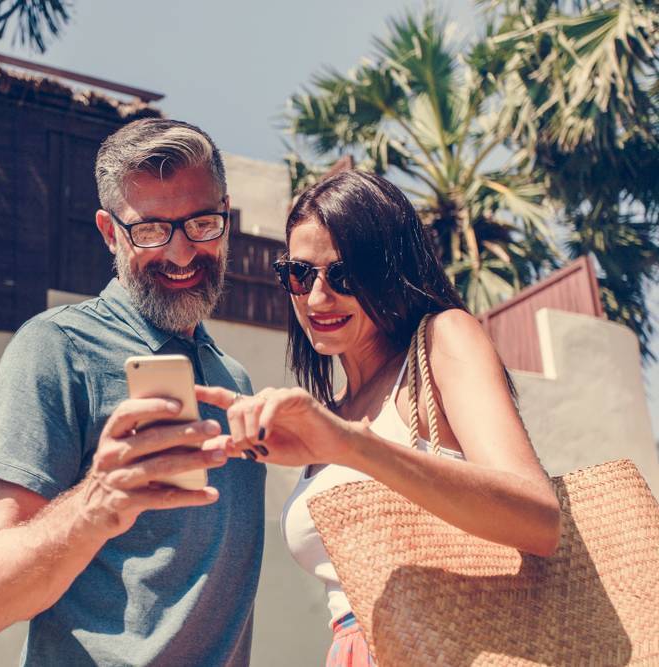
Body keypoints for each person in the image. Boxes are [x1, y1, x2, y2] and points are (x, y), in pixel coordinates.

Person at [198, 170, 561, 665]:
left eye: (345, 276)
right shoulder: (334, 413)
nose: (319, 298)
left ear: (391, 271)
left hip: (456, 645)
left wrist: (353, 445)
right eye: (300, 275)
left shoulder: (443, 340)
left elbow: (539, 518)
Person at [0, 118, 265, 666]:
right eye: (150, 231)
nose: (179, 254)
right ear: (109, 232)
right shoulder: (56, 347)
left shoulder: (233, 381)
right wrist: (98, 502)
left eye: (202, 224)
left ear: (227, 214)